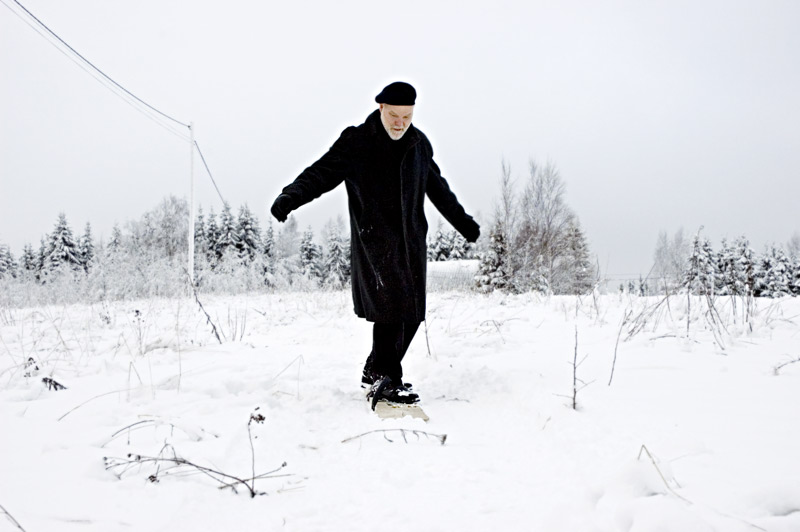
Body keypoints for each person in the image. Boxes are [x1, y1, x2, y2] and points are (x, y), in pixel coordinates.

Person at [270, 81, 480, 407]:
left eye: (407, 117)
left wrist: (464, 224)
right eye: (394, 115)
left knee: (412, 313)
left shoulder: (419, 145)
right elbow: (321, 173)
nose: (400, 123)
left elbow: (438, 189)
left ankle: (374, 370)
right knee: (390, 306)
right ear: (381, 107)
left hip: (412, 241)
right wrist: (290, 196)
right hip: (375, 240)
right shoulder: (357, 141)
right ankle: (387, 379)